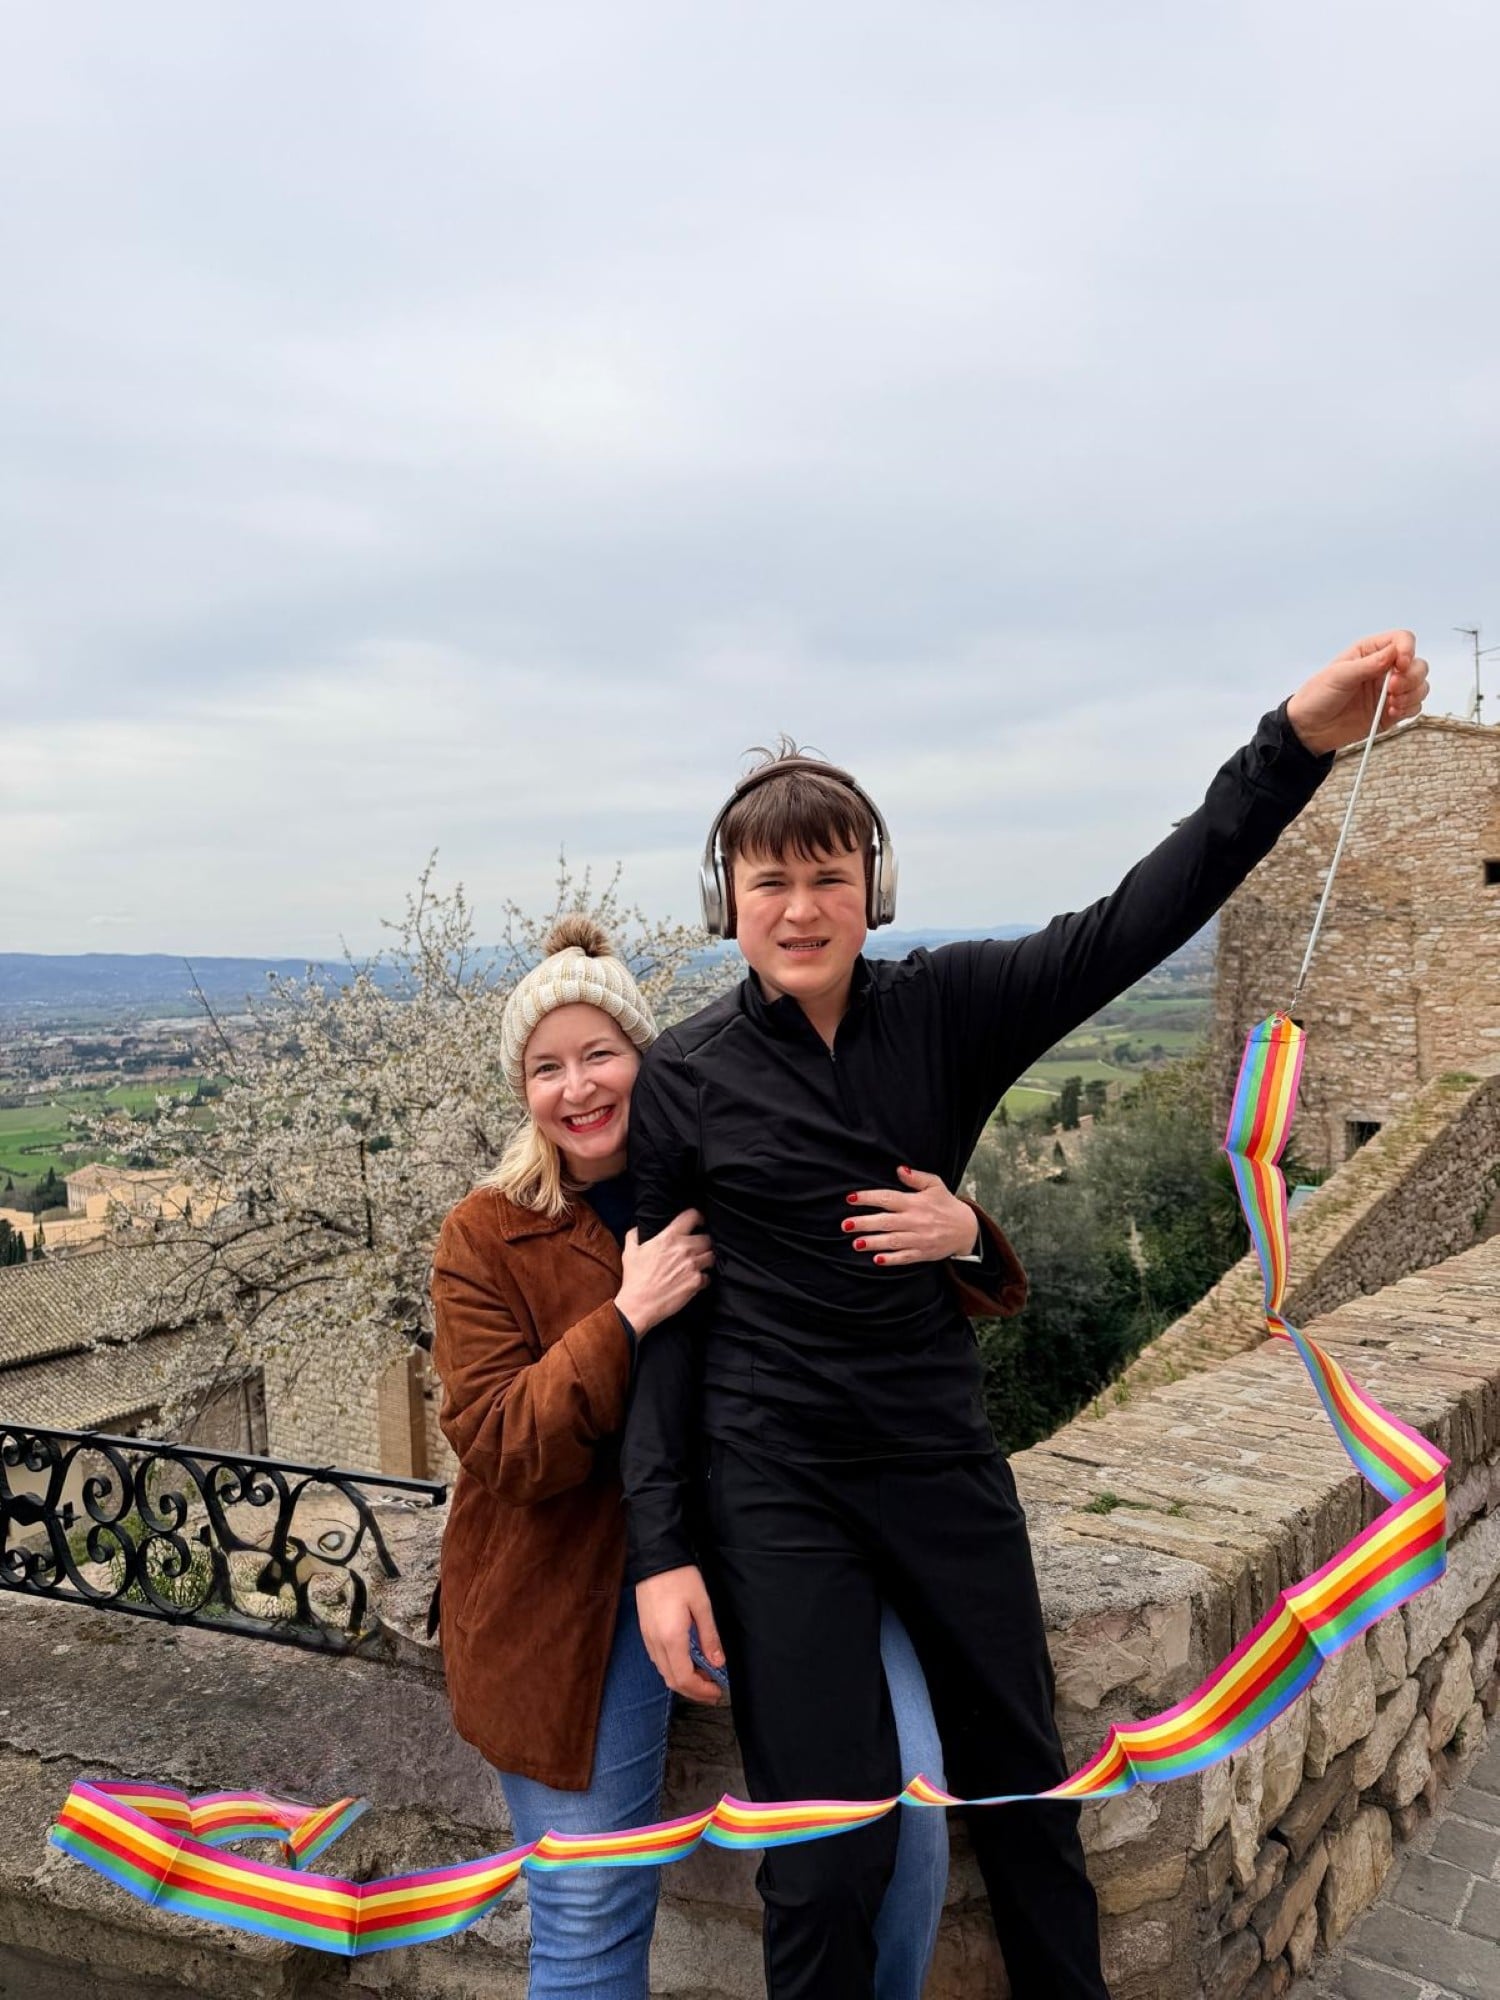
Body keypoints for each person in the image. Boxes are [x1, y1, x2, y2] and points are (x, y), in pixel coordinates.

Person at [623, 633, 1431, 2000]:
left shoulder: (946, 1008)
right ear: (731, 902)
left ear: (872, 892)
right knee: (822, 1853)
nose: (803, 905)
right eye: (774, 881)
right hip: (776, 1484)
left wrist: (1295, 738)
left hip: (937, 1458)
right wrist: (660, 1548)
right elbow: (664, 1326)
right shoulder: (684, 1079)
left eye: (830, 875)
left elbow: (1140, 917)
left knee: (1029, 1806)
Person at [430, 915, 1029, 2000]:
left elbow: (867, 1283)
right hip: (568, 1598)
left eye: (600, 1053)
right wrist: (626, 1313)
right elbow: (504, 1442)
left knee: (910, 1829)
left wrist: (969, 1234)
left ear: (648, 1059)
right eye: (546, 1065)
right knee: (589, 1910)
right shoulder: (486, 1233)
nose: (578, 1087)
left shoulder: (727, 1169)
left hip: (773, 1543)